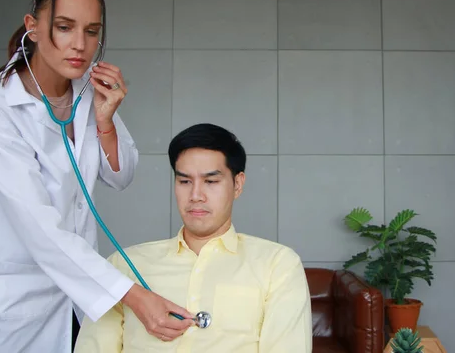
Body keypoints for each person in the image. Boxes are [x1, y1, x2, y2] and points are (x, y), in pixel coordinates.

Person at [0, 0, 193, 353]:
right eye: (64, 27)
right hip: (14, 298)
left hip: (74, 297)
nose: (80, 45)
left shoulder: (86, 89)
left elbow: (122, 175)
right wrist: (134, 297)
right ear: (32, 26)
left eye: (92, 31)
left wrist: (105, 120)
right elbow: (39, 229)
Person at [74, 123, 313, 352]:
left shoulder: (276, 265)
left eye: (211, 181)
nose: (196, 195)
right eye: (185, 181)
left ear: (237, 185)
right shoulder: (125, 265)